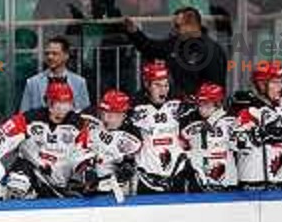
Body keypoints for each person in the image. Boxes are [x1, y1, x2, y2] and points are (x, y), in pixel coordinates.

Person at [0, 81, 94, 199]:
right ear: (48, 102)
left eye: (66, 102)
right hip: (31, 173)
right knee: (17, 183)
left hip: (59, 183)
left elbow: (83, 154)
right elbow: (1, 135)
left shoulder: (79, 125)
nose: (62, 107)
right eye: (58, 102)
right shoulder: (29, 119)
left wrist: (87, 171)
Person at [124, 6, 227, 96]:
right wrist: (134, 33)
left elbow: (216, 88)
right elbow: (151, 48)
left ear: (191, 25)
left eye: (178, 26)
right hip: (176, 105)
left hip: (201, 107)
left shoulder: (212, 51)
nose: (174, 30)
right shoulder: (175, 43)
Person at [129, 62, 190, 193]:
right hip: (147, 177)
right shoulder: (134, 105)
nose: (163, 90)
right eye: (157, 85)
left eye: (166, 85)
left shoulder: (179, 100)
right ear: (147, 85)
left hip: (176, 174)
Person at [230, 62, 282, 189]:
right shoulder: (250, 111)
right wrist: (261, 133)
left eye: (281, 82)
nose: (281, 86)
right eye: (275, 82)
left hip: (280, 183)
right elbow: (234, 142)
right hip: (254, 186)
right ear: (262, 85)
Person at [77, 89, 141, 197]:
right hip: (86, 189)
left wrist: (125, 167)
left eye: (111, 114)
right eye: (104, 113)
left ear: (123, 115)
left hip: (115, 193)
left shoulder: (132, 136)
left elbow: (128, 169)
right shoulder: (91, 123)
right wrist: (87, 165)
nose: (106, 118)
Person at [180, 82, 238, 191]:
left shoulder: (230, 122)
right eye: (200, 103)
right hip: (199, 181)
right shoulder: (190, 122)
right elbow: (181, 146)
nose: (202, 107)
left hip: (226, 182)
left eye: (206, 103)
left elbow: (237, 146)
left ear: (218, 103)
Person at [19, 36, 90, 112]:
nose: (50, 57)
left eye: (55, 53)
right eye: (47, 53)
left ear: (66, 56)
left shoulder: (79, 83)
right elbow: (23, 115)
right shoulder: (32, 83)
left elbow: (85, 115)